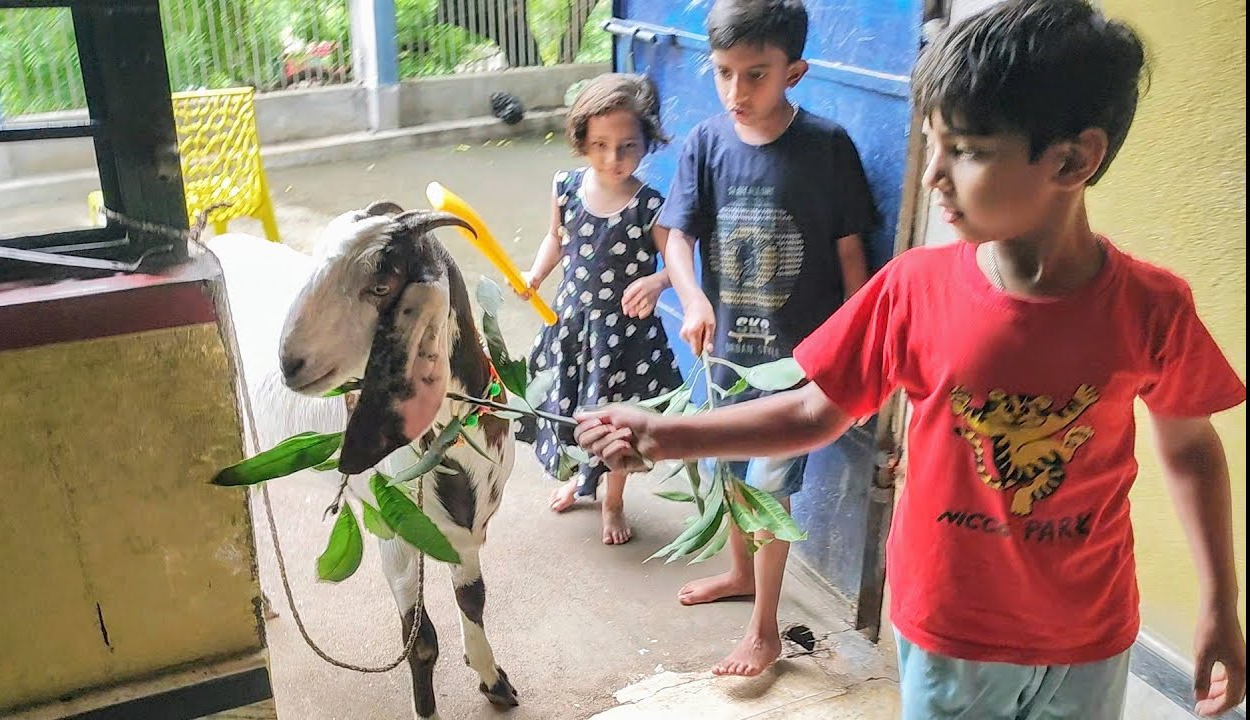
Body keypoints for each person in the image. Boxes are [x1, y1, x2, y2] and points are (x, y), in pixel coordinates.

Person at [576, 1, 1248, 717]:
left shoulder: (1152, 307)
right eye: (934, 145)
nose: (934, 177)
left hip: (1092, 631)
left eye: (967, 150)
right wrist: (662, 430)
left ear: (1075, 158)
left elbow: (1189, 449)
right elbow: (811, 411)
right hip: (952, 634)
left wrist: (1221, 602)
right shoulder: (912, 288)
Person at [652, 0, 876, 677]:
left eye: (756, 75)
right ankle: (740, 574)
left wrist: (849, 351)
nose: (736, 92)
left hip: (797, 367)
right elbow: (678, 237)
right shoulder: (705, 144)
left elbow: (853, 262)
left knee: (770, 492)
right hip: (726, 362)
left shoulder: (828, 147)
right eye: (723, 73)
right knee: (727, 471)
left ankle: (764, 629)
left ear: (795, 72)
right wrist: (690, 298)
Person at [518, 72, 682, 545]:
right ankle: (580, 478)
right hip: (573, 326)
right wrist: (535, 275)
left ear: (647, 141)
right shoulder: (566, 187)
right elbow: (556, 238)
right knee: (574, 411)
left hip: (625, 339)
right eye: (601, 145)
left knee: (616, 424)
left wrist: (657, 281)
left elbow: (675, 260)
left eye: (628, 146)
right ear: (582, 141)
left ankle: (613, 500)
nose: (615, 158)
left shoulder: (649, 204)